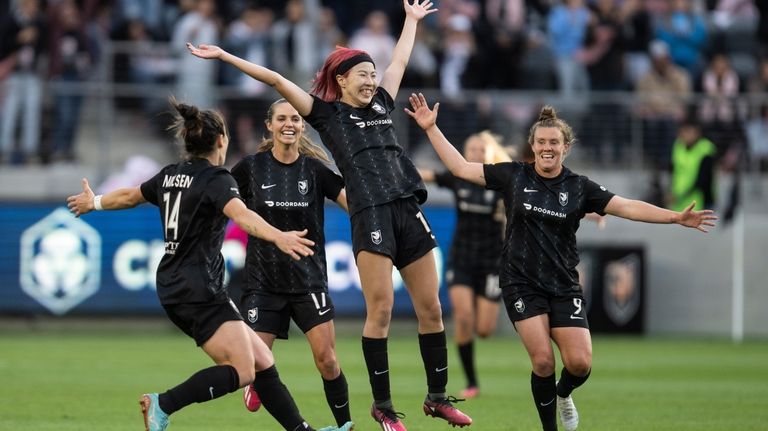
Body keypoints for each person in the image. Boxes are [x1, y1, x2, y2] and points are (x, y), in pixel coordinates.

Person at [187, 1, 474, 430]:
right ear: (341, 80)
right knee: (382, 312)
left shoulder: (381, 104)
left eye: (374, 75)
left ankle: (436, 398)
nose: (373, 80)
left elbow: (399, 60)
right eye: (364, 74)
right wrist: (226, 56)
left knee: (431, 308)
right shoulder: (327, 115)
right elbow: (277, 80)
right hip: (370, 215)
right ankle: (383, 407)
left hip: (407, 208)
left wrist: (411, 22)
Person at [405, 92, 717, 431]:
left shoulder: (580, 187)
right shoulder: (514, 176)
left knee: (580, 364)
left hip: (563, 284)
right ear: (533, 145)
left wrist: (674, 218)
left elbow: (626, 206)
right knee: (542, 360)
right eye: (541, 142)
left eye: (554, 141)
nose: (547, 147)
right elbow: (461, 168)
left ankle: (564, 394)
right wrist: (431, 129)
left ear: (565, 146)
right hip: (520, 281)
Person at [66, 98, 350, 431]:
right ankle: (163, 403)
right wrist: (279, 237)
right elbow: (242, 216)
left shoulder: (171, 175)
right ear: (221, 141)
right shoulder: (217, 179)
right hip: (200, 287)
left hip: (176, 283)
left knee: (262, 360)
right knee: (244, 370)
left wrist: (94, 202)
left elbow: (131, 196)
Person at [231, 98, 353, 428]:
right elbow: (223, 202)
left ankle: (345, 425)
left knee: (327, 361)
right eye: (282, 118)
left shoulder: (315, 171)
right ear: (269, 125)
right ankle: (257, 383)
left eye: (296, 119)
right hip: (262, 280)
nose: (290, 123)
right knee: (255, 365)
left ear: (302, 126)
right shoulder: (250, 168)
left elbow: (354, 206)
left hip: (308, 281)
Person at [418, 131, 508, 399]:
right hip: (462, 258)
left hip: (492, 262)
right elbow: (429, 175)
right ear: (464, 153)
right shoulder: (458, 178)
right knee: (464, 317)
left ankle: (472, 375)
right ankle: (471, 383)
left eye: (482, 150)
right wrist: (393, 169)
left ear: (490, 154)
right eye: (472, 149)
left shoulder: (502, 183)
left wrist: (590, 213)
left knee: (484, 329)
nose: (477, 154)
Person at [669, 118, 717, 212]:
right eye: (682, 132)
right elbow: (673, 171)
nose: (685, 135)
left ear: (697, 132)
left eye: (688, 132)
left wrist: (681, 196)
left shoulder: (706, 149)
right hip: (679, 199)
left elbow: (703, 179)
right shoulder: (678, 146)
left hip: (701, 200)